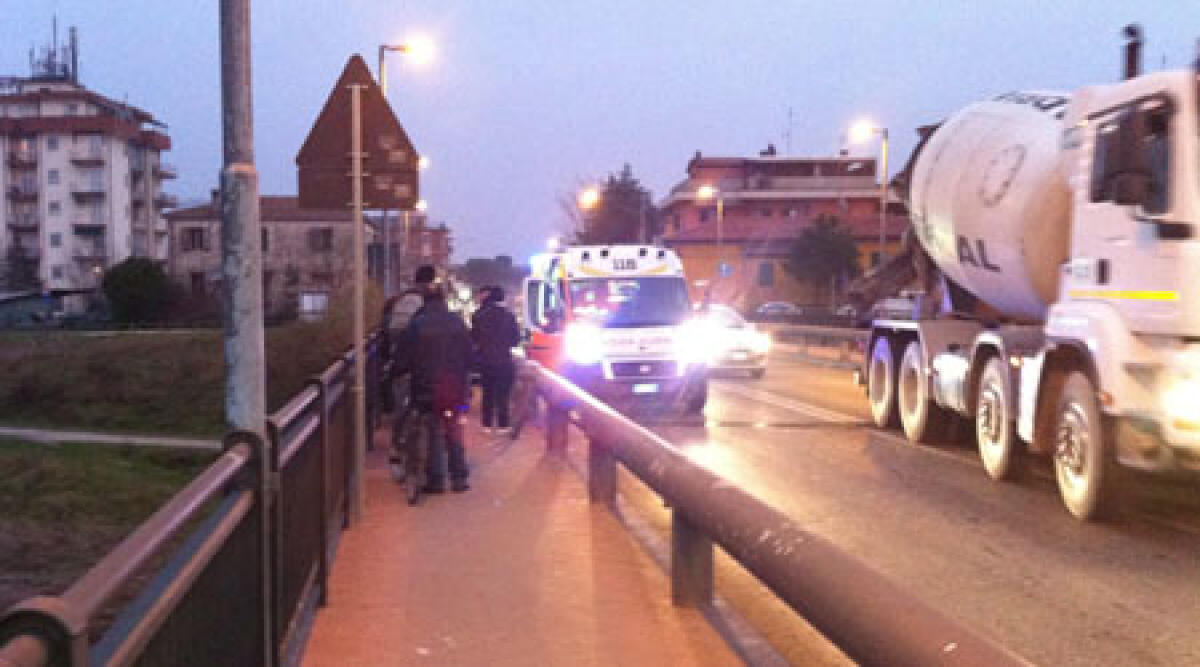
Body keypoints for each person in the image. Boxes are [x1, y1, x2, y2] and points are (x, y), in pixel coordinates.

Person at [393, 284, 474, 503]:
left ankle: (436, 479)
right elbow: (470, 354)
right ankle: (459, 477)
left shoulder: (416, 325)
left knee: (433, 427)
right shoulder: (457, 322)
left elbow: (403, 358)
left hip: (426, 388)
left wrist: (397, 371)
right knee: (455, 426)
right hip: (456, 388)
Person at [382, 265, 437, 480]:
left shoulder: (396, 301)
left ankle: (396, 453)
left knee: (401, 410)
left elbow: (386, 333)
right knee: (433, 409)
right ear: (432, 281)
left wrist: (389, 362)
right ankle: (432, 463)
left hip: (401, 364)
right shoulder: (431, 303)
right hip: (427, 366)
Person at [471, 285, 522, 434]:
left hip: (485, 359)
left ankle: (486, 424)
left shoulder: (478, 316)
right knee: (503, 394)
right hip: (504, 359)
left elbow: (474, 338)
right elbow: (515, 340)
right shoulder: (509, 316)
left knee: (487, 392)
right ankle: (503, 424)